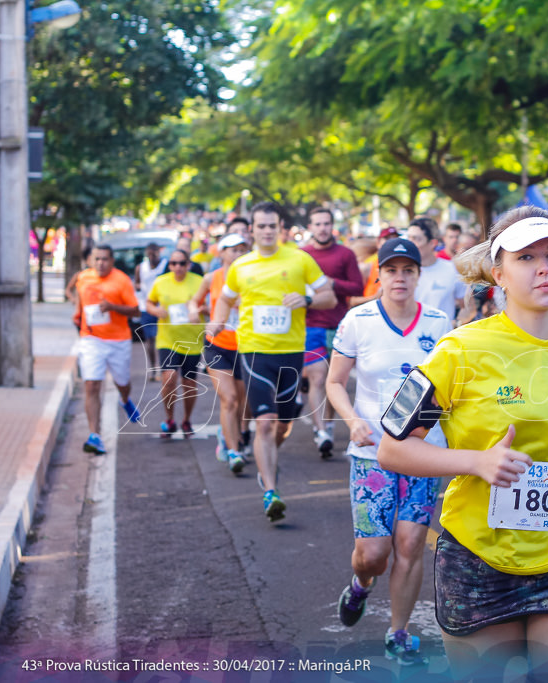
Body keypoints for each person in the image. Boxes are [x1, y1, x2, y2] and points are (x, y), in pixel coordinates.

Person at [378, 207, 548, 678]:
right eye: (526, 257)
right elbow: (392, 447)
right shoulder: (458, 349)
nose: (545, 267)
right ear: (498, 273)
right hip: (478, 555)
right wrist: (477, 462)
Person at [327, 237, 451, 666]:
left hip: (423, 452)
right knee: (374, 554)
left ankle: (398, 631)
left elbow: (453, 385)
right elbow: (334, 382)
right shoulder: (357, 321)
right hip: (371, 456)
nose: (400, 278)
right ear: (379, 274)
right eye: (392, 270)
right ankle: (361, 585)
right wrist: (353, 421)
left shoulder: (439, 323)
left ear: (419, 276)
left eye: (408, 270)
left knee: (411, 543)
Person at [206, 202, 337, 522]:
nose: (266, 231)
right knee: (264, 422)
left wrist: (307, 299)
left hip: (292, 352)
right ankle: (270, 490)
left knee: (282, 423)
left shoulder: (299, 259)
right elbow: (225, 297)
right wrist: (217, 322)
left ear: (281, 228)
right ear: (252, 229)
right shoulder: (242, 266)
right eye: (260, 226)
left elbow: (329, 297)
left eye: (271, 226)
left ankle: (268, 456)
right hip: (254, 351)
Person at [300, 207, 365, 458]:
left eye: (326, 223)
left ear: (332, 226)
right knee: (317, 378)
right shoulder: (302, 255)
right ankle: (321, 432)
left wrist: (331, 283)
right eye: (317, 224)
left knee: (333, 379)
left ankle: (327, 424)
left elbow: (356, 287)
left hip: (340, 323)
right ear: (311, 227)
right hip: (311, 323)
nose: (322, 228)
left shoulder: (345, 254)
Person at [73, 245, 143, 454]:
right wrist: (77, 315)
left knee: (122, 382)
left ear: (111, 261)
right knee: (92, 385)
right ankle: (95, 435)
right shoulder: (83, 278)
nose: (100, 263)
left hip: (118, 340)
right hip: (91, 338)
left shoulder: (121, 280)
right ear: (90, 261)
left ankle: (125, 399)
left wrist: (112, 307)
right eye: (96, 259)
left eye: (104, 259)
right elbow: (81, 301)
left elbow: (135, 311)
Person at [190, 233, 251, 473]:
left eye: (242, 249)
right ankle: (234, 452)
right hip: (218, 345)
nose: (237, 254)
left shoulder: (253, 277)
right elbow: (193, 301)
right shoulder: (211, 278)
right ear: (222, 252)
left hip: (246, 346)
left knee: (244, 403)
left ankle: (229, 435)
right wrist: (196, 312)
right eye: (232, 250)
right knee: (229, 400)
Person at [146, 249, 205, 438]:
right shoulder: (161, 282)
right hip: (168, 339)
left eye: (181, 263)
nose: (177, 267)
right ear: (169, 265)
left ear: (188, 264)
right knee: (169, 378)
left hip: (192, 341)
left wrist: (200, 308)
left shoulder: (199, 282)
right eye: (173, 263)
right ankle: (169, 419)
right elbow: (148, 302)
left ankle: (186, 420)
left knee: (189, 384)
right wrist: (156, 311)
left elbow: (213, 304)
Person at [406, 217, 466, 323]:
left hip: (442, 338)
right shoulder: (401, 273)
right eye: (409, 238)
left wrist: (457, 324)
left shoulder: (452, 269)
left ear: (432, 243)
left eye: (416, 239)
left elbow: (468, 308)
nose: (410, 244)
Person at [133, 242, 168, 381]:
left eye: (155, 253)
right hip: (147, 307)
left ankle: (163, 368)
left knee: (163, 339)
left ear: (159, 252)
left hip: (162, 307)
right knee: (150, 339)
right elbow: (137, 284)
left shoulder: (165, 265)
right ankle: (154, 368)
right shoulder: (141, 268)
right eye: (150, 254)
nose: (152, 256)